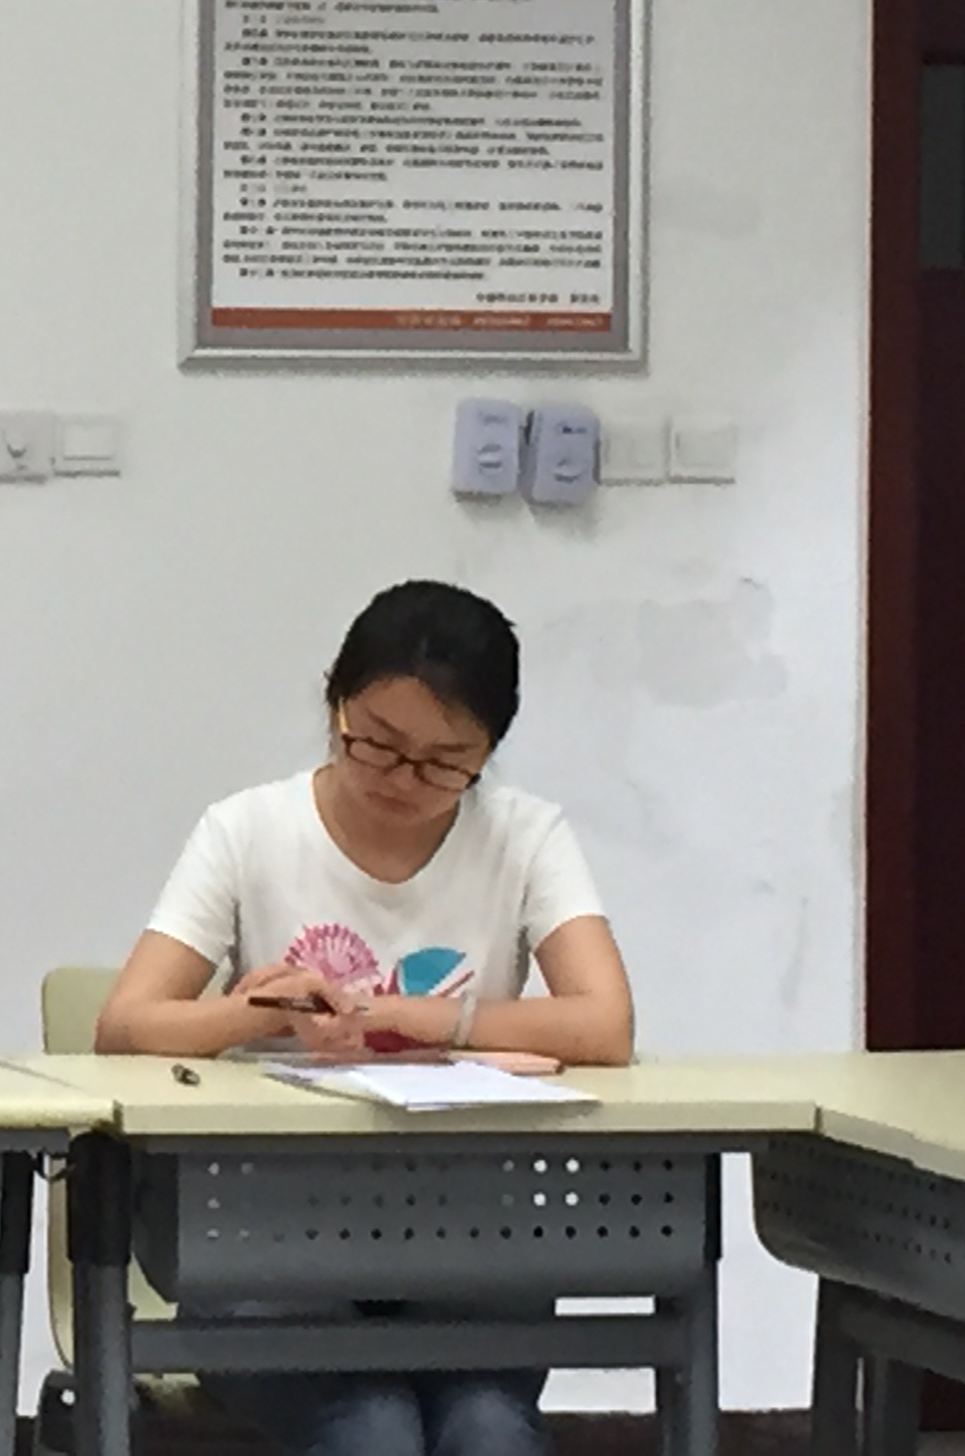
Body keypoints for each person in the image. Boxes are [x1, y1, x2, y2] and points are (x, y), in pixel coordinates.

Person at [93, 578, 636, 1456]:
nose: (402, 781)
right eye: (376, 745)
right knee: (371, 1428)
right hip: (265, 1242)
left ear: (489, 752)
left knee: (490, 1432)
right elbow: (124, 1025)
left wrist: (441, 1021)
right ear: (333, 703)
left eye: (443, 763)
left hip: (467, 1242)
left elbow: (605, 1025)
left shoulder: (525, 837)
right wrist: (249, 1014)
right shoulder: (248, 830)